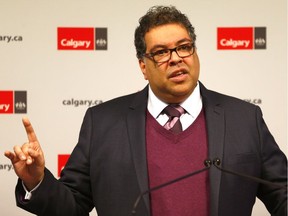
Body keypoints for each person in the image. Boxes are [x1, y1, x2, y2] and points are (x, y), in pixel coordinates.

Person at [4, 5, 287, 216]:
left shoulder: (244, 118)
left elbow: (281, 194)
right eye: (162, 52)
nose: (176, 59)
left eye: (184, 47)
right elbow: (72, 206)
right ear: (143, 66)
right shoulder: (102, 123)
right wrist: (37, 181)